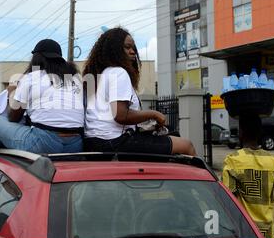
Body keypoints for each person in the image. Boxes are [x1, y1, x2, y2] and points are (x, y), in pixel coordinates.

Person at [83, 27, 196, 156]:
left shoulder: (102, 75)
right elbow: (120, 115)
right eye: (127, 47)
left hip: (94, 141)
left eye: (134, 48)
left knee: (171, 135)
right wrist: (154, 114)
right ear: (114, 49)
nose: (132, 52)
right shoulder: (119, 73)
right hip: (115, 142)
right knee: (187, 146)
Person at [0, 39, 84, 154]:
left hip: (43, 143)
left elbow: (13, 118)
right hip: (76, 145)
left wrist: (11, 95)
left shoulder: (31, 78)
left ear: (36, 58)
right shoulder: (75, 80)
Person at [222, 115, 274, 238]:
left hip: (244, 231)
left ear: (241, 132)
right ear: (259, 132)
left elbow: (227, 199)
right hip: (267, 233)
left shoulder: (232, 160)